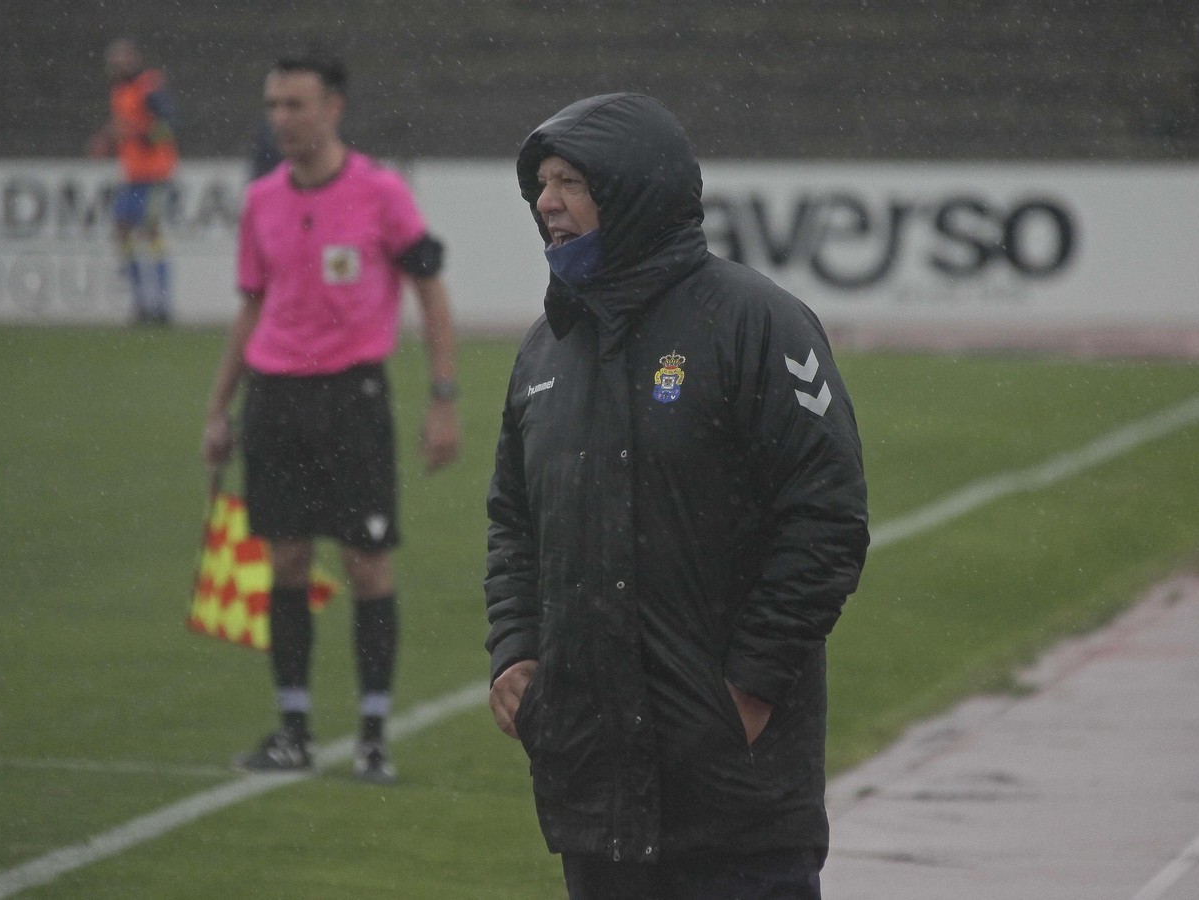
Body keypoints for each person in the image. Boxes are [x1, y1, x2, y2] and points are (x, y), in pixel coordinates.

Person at [484, 93, 870, 899]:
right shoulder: (546, 348)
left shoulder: (756, 322)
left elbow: (826, 517)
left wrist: (746, 691)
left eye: (569, 182)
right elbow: (514, 522)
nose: (546, 203)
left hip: (739, 801)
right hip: (593, 792)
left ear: (634, 190)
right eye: (542, 185)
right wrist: (517, 651)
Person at [202, 54, 461, 783]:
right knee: (284, 560)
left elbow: (430, 291)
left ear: (333, 108)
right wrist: (220, 407)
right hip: (276, 397)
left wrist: (444, 398)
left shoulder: (380, 193)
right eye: (273, 105)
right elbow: (252, 302)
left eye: (295, 105)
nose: (281, 119)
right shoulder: (261, 201)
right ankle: (294, 731)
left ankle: (373, 735)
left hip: (353, 397)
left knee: (366, 562)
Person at [88, 37, 178, 325]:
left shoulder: (149, 86)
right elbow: (123, 125)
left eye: (123, 59)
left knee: (151, 232)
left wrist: (145, 136)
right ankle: (140, 303)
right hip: (133, 174)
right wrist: (106, 137)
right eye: (115, 60)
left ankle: (161, 306)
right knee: (123, 230)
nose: (118, 64)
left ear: (136, 59)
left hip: (156, 174)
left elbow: (171, 123)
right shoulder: (120, 90)